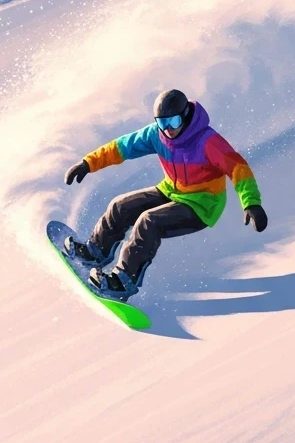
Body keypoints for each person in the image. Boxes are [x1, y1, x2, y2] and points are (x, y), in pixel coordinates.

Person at [64, 88, 268, 300]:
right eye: (163, 123)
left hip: (202, 204)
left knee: (149, 222)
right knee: (120, 206)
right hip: (172, 190)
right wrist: (88, 163)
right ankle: (96, 252)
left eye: (174, 122)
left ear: (186, 115)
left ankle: (123, 282)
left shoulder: (208, 141)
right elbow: (122, 147)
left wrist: (251, 203)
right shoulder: (156, 135)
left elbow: (237, 168)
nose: (168, 129)